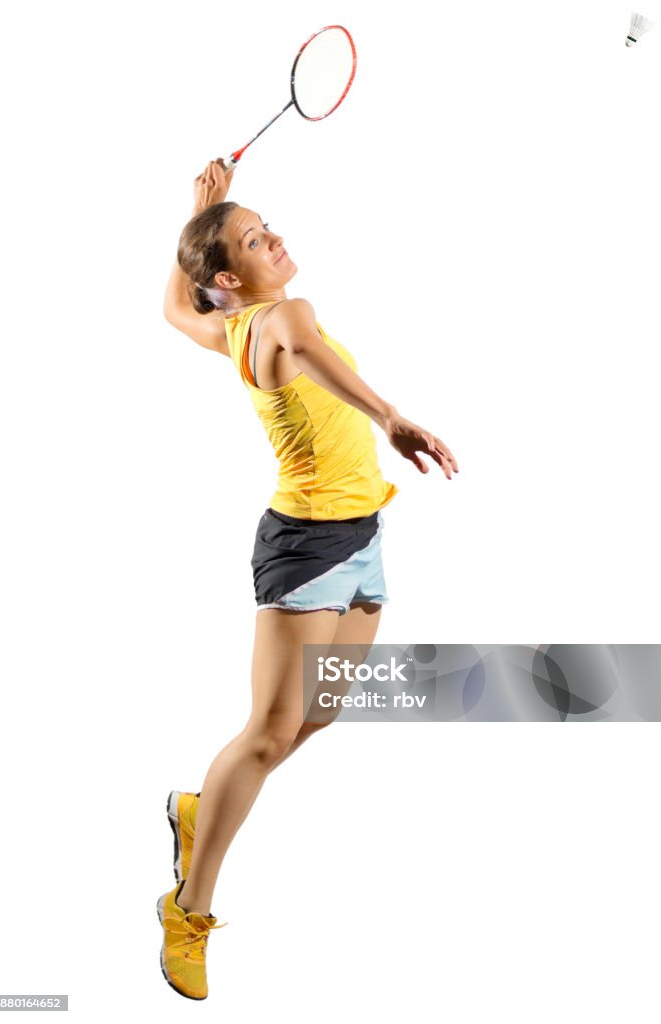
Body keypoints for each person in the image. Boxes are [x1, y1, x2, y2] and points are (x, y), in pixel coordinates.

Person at [157, 159, 459, 1000]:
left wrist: (204, 210)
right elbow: (313, 352)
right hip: (307, 551)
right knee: (266, 733)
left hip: (361, 536)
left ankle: (201, 806)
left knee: (318, 715)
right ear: (231, 275)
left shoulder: (229, 327)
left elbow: (173, 308)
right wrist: (391, 416)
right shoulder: (283, 316)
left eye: (267, 225)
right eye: (254, 238)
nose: (275, 238)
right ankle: (189, 904)